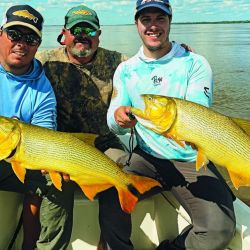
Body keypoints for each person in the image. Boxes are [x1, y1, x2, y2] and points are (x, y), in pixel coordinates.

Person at [99, 0, 236, 249]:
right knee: (110, 193)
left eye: (160, 18)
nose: (153, 26)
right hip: (145, 157)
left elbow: (196, 117)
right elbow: (113, 122)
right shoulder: (126, 70)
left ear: (170, 21)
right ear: (137, 24)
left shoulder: (194, 63)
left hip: (190, 159)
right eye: (146, 19)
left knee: (220, 229)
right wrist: (119, 118)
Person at [0, 5, 72, 250]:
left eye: (30, 38)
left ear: (37, 45)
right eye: (14, 35)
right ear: (1, 34)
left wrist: (51, 163)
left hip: (16, 159)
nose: (21, 43)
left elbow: (45, 136)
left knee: (57, 182)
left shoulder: (42, 91)